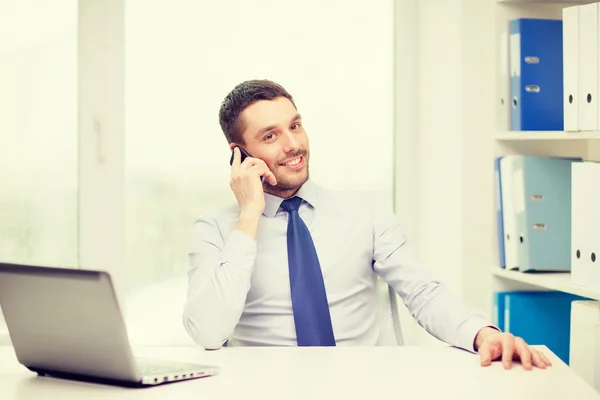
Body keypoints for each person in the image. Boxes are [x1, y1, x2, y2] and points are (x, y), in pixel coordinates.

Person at [182, 79, 551, 370]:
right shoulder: (215, 229)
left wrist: (483, 334)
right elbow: (208, 332)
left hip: (360, 386)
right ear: (238, 152)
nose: (293, 144)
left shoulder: (366, 212)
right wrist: (249, 215)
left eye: (295, 125)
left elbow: (424, 292)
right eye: (270, 136)